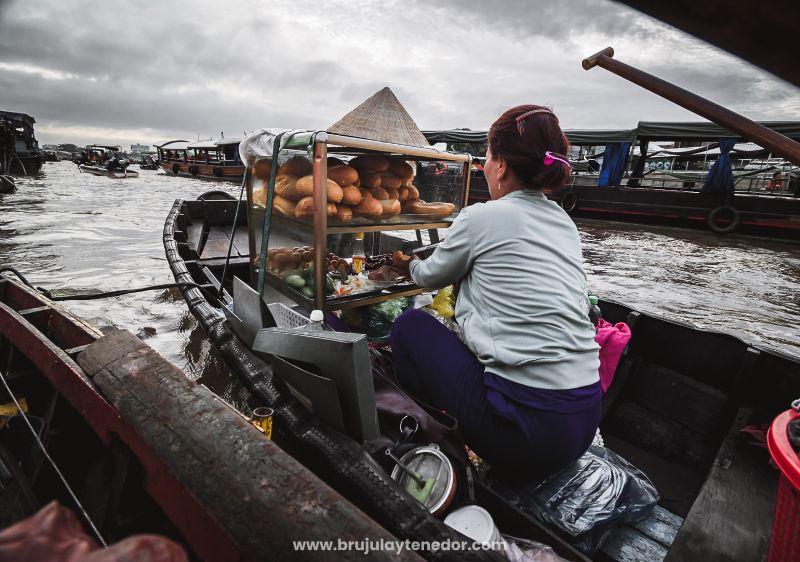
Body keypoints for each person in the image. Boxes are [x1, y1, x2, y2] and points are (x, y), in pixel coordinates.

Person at [390, 104, 601, 482]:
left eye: (486, 157)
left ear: (501, 164)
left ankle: (431, 438)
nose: (484, 167)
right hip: (583, 422)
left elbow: (428, 278)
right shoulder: (564, 223)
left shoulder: (481, 216)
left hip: (528, 439)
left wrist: (406, 264)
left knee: (409, 326)